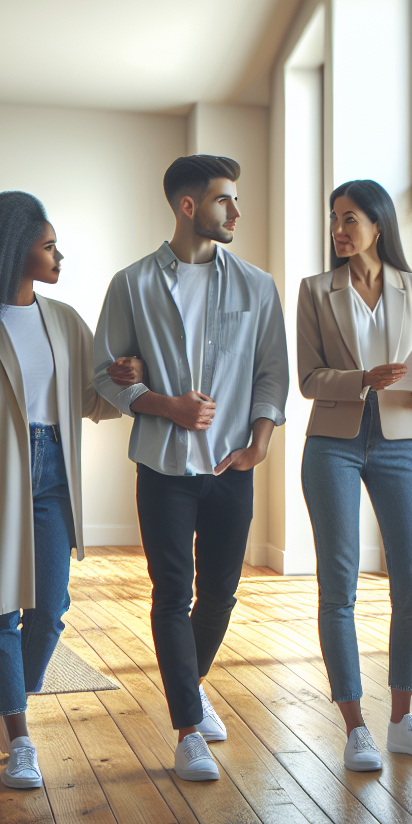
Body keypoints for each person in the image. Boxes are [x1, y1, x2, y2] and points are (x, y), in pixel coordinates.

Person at [0, 191, 141, 789]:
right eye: (49, 246)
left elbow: (95, 401)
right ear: (14, 251)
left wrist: (128, 378)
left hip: (54, 477)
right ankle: (19, 734)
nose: (59, 255)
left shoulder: (67, 321)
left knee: (49, 612)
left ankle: (9, 698)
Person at [92, 154, 289, 783]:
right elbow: (105, 374)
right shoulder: (132, 285)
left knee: (221, 595)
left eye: (235, 199)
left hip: (233, 467)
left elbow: (271, 374)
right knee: (172, 594)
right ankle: (186, 729)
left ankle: (189, 689)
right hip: (163, 468)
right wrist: (161, 404)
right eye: (224, 200)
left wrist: (259, 444)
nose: (236, 211)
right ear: (187, 206)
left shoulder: (258, 287)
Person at [296, 180, 412, 772]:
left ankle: (400, 720)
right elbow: (309, 380)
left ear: (378, 226)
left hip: (398, 444)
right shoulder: (316, 291)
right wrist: (363, 377)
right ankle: (355, 726)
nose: (338, 231)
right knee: (338, 586)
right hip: (332, 445)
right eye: (334, 219)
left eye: (350, 220)